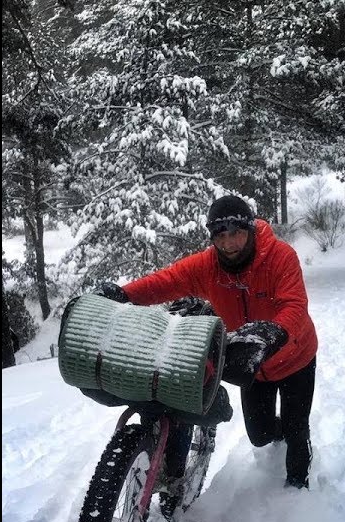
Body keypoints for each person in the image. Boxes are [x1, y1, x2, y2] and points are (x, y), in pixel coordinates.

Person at [94, 194, 319, 490]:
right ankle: (283, 432)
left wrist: (273, 333)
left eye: (236, 233)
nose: (229, 244)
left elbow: (295, 305)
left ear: (250, 229)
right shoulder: (209, 266)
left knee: (297, 428)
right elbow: (167, 281)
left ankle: (297, 490)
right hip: (251, 364)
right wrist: (125, 295)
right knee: (260, 434)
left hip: (294, 357)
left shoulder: (279, 256)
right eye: (220, 236)